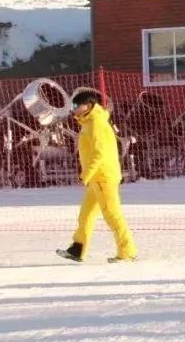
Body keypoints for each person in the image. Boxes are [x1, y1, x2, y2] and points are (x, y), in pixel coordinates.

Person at [56, 88, 138, 263]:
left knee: (112, 215)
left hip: (103, 178)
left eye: (76, 105)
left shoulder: (96, 124)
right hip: (96, 179)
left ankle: (127, 251)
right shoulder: (90, 122)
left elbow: (98, 154)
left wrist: (84, 175)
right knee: (86, 215)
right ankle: (77, 249)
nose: (73, 108)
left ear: (87, 106)